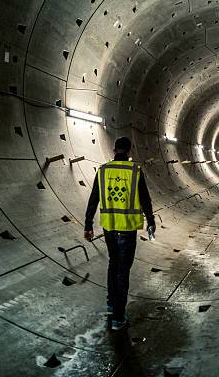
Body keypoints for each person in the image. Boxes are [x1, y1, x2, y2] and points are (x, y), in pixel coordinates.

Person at [84, 136, 156, 331]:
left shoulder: (103, 170)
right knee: (123, 270)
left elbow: (93, 199)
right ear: (129, 151)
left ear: (114, 150)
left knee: (113, 264)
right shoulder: (135, 171)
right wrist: (151, 221)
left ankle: (110, 304)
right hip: (127, 229)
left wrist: (88, 225)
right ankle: (118, 317)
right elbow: (145, 199)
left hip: (109, 227)